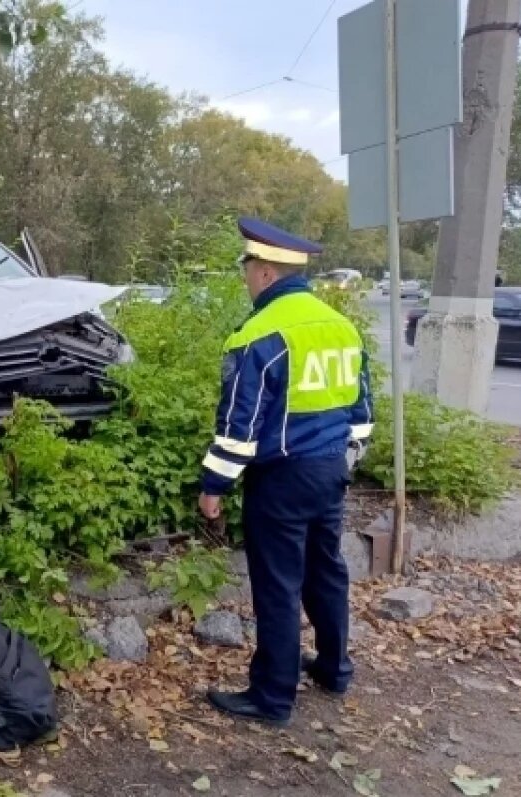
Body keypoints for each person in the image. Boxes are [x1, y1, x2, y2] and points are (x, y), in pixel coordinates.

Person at [199, 217, 374, 727]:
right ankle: (335, 669)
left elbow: (239, 425)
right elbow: (362, 412)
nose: (246, 280)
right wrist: (344, 461)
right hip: (331, 470)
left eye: (248, 271)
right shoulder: (342, 327)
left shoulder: (259, 334)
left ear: (266, 273)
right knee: (326, 571)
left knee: (278, 584)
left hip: (281, 478)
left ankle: (272, 697)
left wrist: (214, 485)